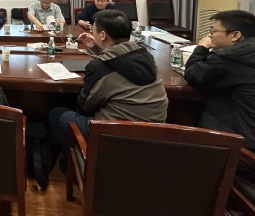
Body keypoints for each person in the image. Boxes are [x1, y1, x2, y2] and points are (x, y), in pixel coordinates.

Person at [49, 9, 168, 158]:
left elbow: (85, 106)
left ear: (103, 35)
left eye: (94, 29)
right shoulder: (146, 56)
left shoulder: (99, 67)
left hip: (114, 137)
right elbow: (120, 60)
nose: (91, 32)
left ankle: (74, 162)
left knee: (57, 114)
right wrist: (97, 48)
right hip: (154, 136)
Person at [184, 10, 255, 163]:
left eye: (213, 31)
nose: (210, 36)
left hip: (246, 155)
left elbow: (193, 74)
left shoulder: (230, 57)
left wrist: (201, 48)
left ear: (235, 35)